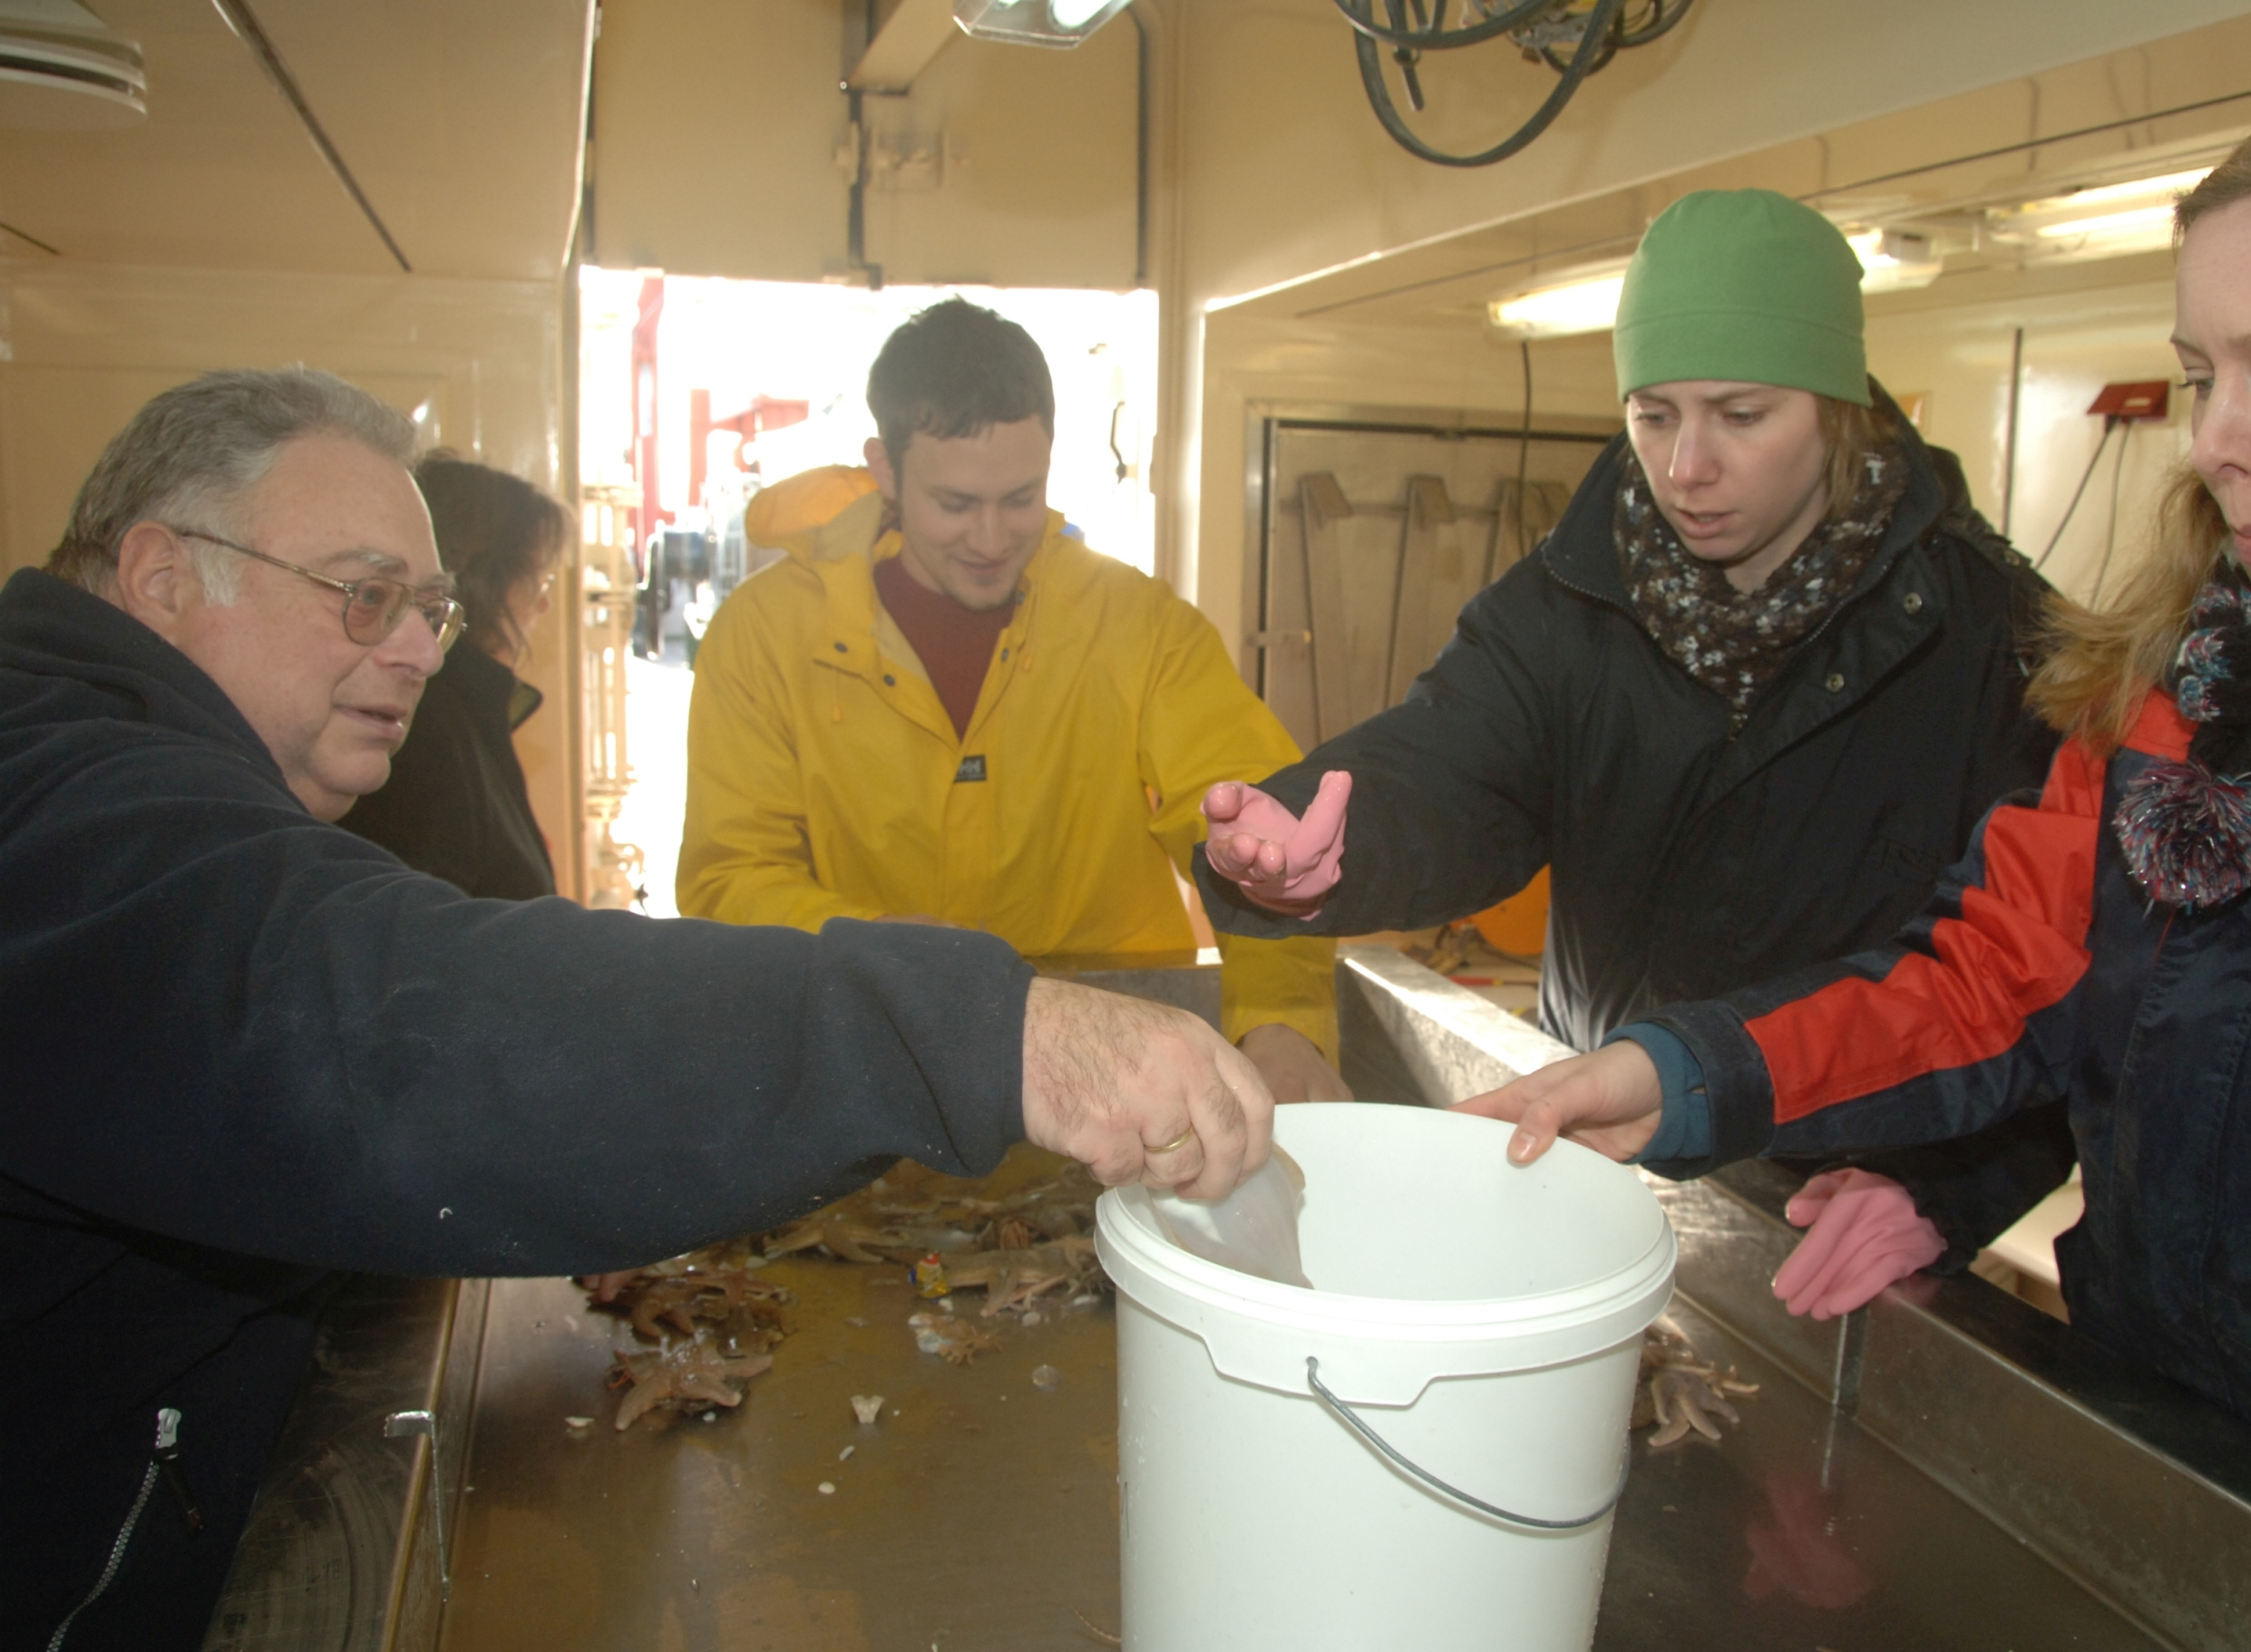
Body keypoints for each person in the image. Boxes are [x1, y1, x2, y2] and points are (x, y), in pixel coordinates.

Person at [1, 368, 1274, 1648]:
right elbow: (381, 1019)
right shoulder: (56, 807)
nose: (417, 653)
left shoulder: (103, 757)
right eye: (364, 596)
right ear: (162, 575)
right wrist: (973, 1030)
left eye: (430, 610)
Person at [1457, 59, 2251, 1541]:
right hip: (2159, 1451)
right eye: (2202, 376)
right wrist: (1679, 1072)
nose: (2212, 438)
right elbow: (1990, 982)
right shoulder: (2170, 704)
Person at [1196, 189, 2073, 1305]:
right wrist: (1313, 852)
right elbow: (1452, 768)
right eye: (1652, 415)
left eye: (1739, 415)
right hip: (1596, 1138)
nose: (1685, 465)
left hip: (1836, 1197)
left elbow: (2051, 977)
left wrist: (1950, 1190)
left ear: (1839, 408)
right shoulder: (1573, 596)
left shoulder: (1999, 645)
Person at [679, 298, 1350, 1103]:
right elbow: (730, 875)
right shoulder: (763, 635)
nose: (993, 539)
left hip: (1117, 1084)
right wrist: (872, 945)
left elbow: (1263, 830)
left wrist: (1282, 1024)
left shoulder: (1136, 624)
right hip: (868, 1068)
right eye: (956, 504)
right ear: (884, 468)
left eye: (1022, 498)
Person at [339, 452, 566, 899]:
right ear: (488, 579)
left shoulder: (460, 706)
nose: (543, 604)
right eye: (539, 580)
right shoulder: (425, 727)